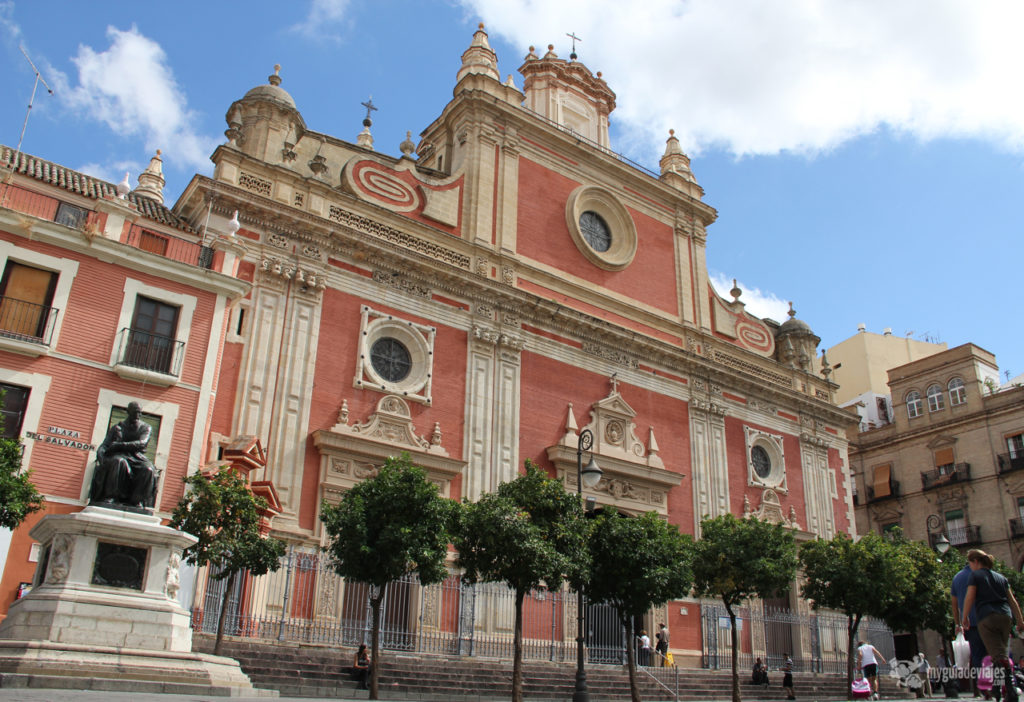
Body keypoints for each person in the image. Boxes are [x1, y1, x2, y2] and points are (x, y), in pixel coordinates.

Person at [961, 549, 1024, 702]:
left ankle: (1011, 692)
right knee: (998, 654)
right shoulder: (1001, 577)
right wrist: (1020, 620)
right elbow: (1012, 600)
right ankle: (996, 690)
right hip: (1005, 617)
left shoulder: (975, 576)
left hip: (986, 618)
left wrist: (965, 618)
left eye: (970, 563)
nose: (970, 566)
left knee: (998, 656)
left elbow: (970, 597)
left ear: (976, 561)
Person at [89, 402, 157, 508]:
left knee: (148, 469)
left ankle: (136, 500)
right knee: (118, 462)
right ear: (128, 411)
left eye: (139, 412)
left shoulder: (145, 427)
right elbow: (106, 444)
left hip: (137, 456)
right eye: (135, 412)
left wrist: (119, 445)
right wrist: (100, 452)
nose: (137, 415)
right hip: (120, 455)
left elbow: (142, 443)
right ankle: (111, 496)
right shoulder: (118, 427)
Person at [952, 557, 986, 688]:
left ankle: (982, 687)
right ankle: (996, 684)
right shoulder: (980, 575)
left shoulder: (957, 577)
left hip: (969, 624)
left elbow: (954, 604)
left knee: (977, 655)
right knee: (991, 653)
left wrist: (957, 623)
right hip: (985, 618)